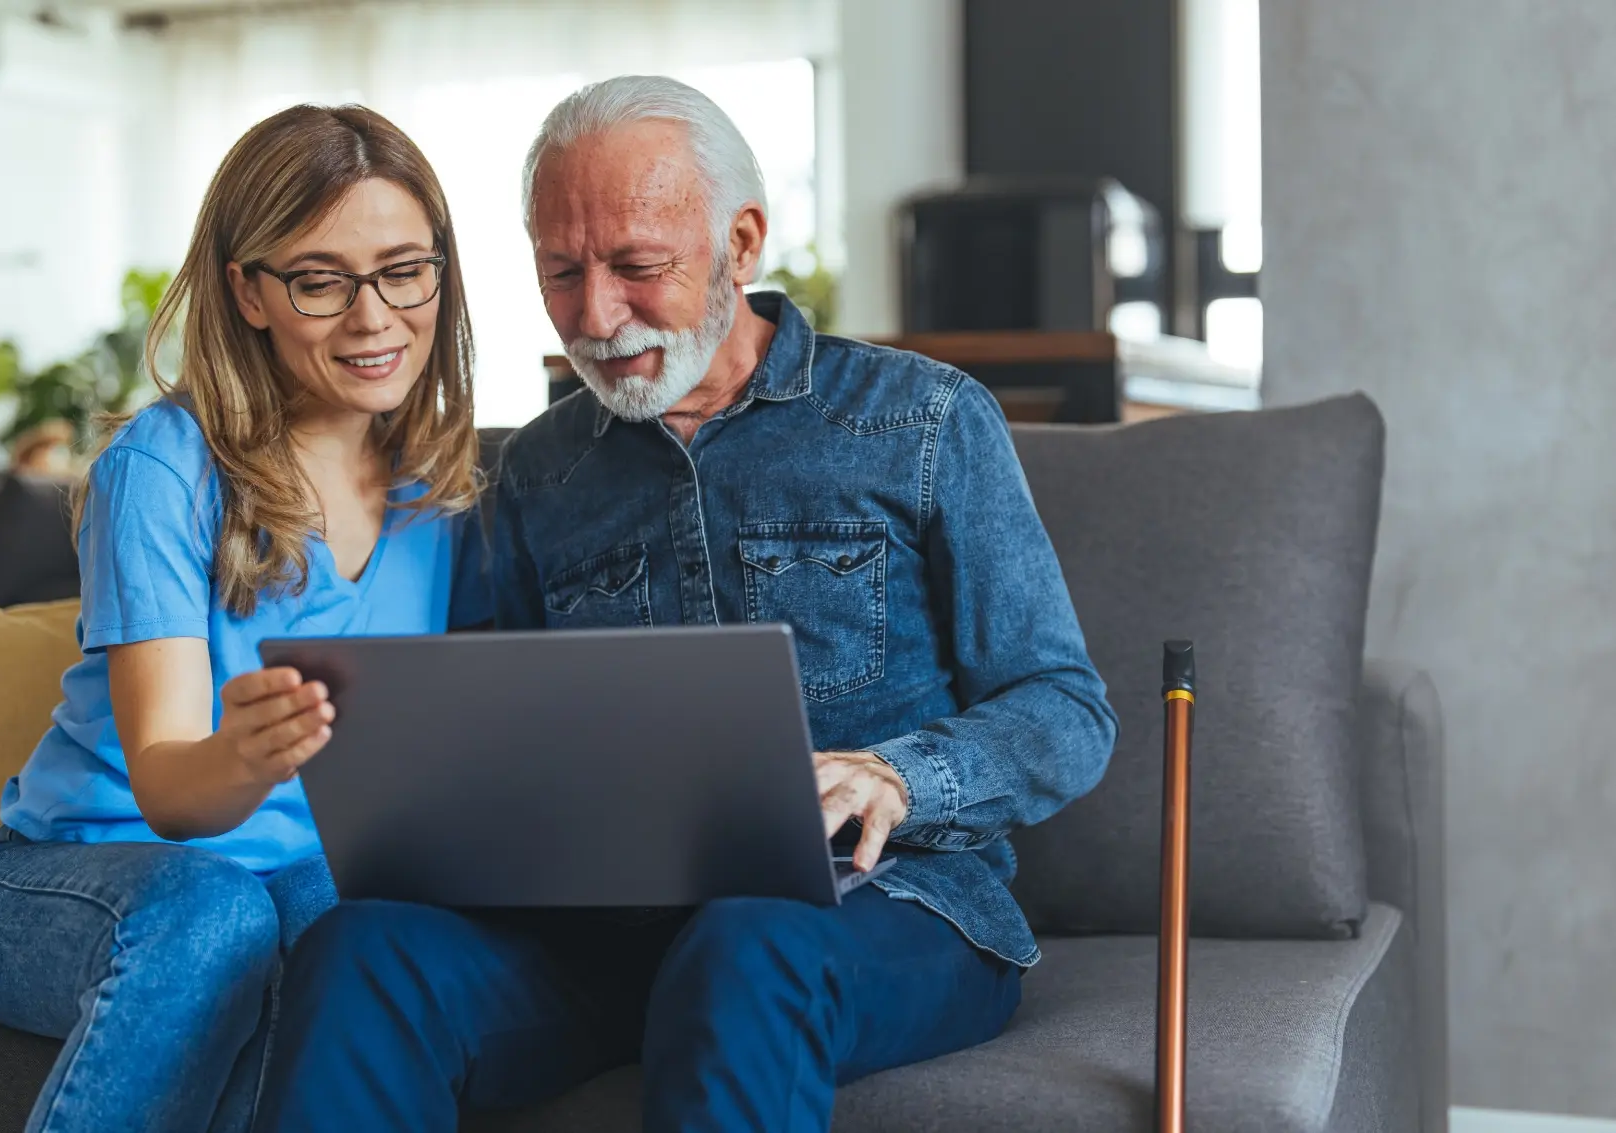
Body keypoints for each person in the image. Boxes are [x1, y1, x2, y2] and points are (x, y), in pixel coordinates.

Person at [257, 76, 1118, 1133]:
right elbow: (509, 743)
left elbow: (1065, 709)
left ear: (741, 243)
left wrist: (896, 771)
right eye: (561, 273)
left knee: (746, 940)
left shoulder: (923, 419)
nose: (595, 314)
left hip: (888, 911)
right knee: (362, 947)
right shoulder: (535, 475)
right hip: (612, 934)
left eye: (636, 267)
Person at [0, 104, 487, 1133]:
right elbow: (169, 785)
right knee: (220, 912)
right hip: (74, 880)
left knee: (366, 923)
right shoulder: (164, 467)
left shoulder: (436, 489)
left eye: (404, 269)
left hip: (291, 877)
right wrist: (245, 752)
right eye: (320, 280)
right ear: (248, 291)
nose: (374, 317)